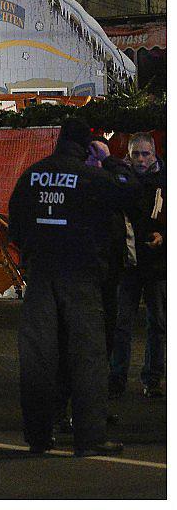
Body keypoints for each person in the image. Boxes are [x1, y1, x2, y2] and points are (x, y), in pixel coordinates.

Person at [9, 118, 137, 457]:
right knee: (88, 358)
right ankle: (90, 438)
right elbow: (131, 191)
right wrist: (109, 159)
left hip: (41, 277)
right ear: (88, 145)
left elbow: (15, 225)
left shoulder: (32, 175)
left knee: (38, 359)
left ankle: (38, 436)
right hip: (81, 278)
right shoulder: (91, 178)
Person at [111, 133, 166, 399]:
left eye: (146, 154)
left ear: (154, 154)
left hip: (157, 264)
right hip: (130, 263)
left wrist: (163, 237)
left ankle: (153, 379)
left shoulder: (165, 181)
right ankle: (117, 378)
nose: (141, 159)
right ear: (129, 155)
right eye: (136, 154)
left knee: (158, 323)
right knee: (123, 323)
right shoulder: (121, 180)